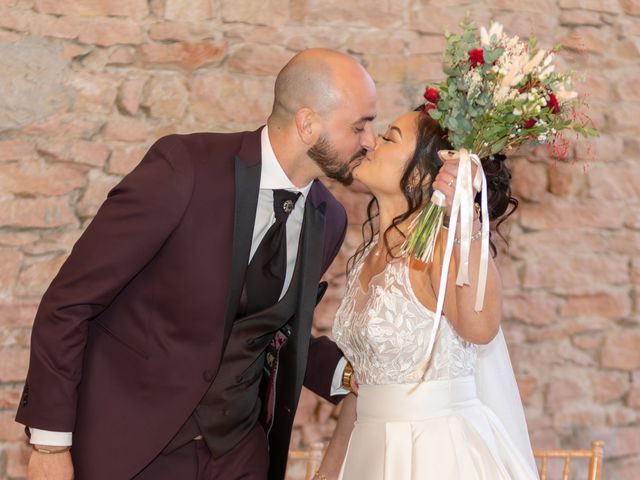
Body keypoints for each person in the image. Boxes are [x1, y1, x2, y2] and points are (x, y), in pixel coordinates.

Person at [15, 48, 375, 480]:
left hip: (239, 454)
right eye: (360, 126)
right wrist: (50, 446)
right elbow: (70, 302)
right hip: (136, 448)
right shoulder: (183, 170)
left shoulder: (328, 219)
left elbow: (271, 330)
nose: (370, 141)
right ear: (307, 124)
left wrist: (350, 374)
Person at [315, 110, 539, 479]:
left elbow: (480, 328)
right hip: (368, 453)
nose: (370, 142)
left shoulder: (441, 249)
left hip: (435, 453)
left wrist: (467, 220)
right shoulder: (366, 256)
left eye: (388, 138)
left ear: (420, 174)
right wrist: (328, 469)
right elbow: (365, 386)